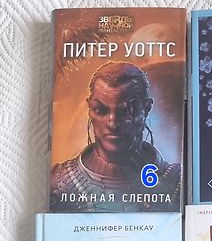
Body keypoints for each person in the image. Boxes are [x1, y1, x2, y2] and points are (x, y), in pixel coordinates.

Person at [50, 61, 181, 212]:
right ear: (90, 108)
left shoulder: (176, 182)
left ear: (146, 108)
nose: (112, 124)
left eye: (126, 111)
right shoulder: (58, 181)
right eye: (101, 110)